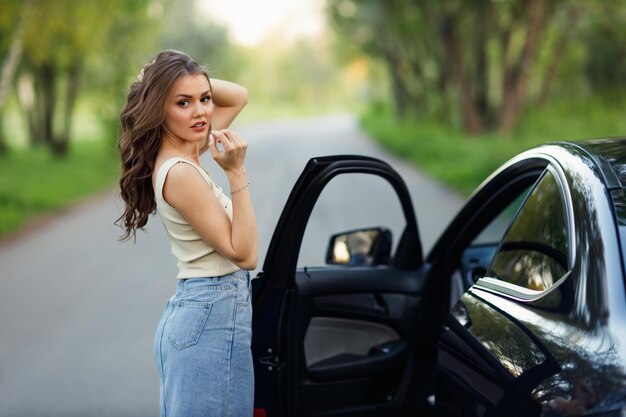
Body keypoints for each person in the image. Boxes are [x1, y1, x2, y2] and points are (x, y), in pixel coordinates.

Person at [116, 50, 258, 417]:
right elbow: (244, 254)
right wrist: (237, 174)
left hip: (207, 310)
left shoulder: (187, 151)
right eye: (183, 103)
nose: (201, 112)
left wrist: (171, 74)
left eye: (205, 99)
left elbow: (239, 94)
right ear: (160, 109)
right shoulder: (181, 172)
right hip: (212, 314)